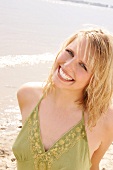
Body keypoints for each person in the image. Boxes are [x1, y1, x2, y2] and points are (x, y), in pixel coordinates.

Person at [12, 26, 113, 170]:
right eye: (70, 52)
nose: (67, 65)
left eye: (83, 65)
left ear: (97, 79)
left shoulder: (105, 120)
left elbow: (93, 166)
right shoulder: (27, 95)